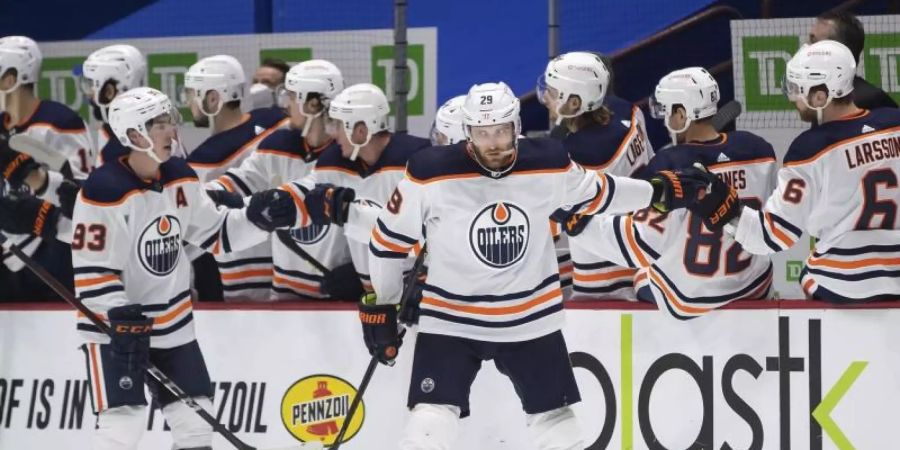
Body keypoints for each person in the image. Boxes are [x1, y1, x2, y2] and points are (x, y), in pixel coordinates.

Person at [362, 81, 717, 449]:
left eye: (501, 130)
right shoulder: (429, 173)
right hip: (452, 317)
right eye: (484, 134)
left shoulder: (548, 162)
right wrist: (384, 306)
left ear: (517, 126)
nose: (495, 142)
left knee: (557, 426)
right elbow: (388, 240)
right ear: (468, 133)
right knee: (429, 425)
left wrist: (659, 192)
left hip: (530, 317)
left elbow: (602, 193)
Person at [68, 87, 313, 449]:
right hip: (116, 332)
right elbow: (92, 276)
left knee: (195, 424)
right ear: (134, 134)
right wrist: (120, 316)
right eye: (159, 124)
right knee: (123, 425)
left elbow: (216, 234)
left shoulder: (180, 176)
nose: (171, 131)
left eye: (171, 121)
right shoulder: (103, 191)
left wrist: (258, 220)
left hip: (173, 327)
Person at [711, 40, 900, 302]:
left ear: (821, 96)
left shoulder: (810, 149)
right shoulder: (894, 123)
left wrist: (725, 211)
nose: (793, 98)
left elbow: (773, 236)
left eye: (798, 90)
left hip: (842, 283)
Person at [581, 67, 776, 318]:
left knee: (642, 272)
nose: (663, 118)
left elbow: (639, 244)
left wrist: (580, 223)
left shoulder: (670, 164)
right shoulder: (758, 149)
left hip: (693, 296)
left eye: (667, 110)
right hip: (753, 286)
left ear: (682, 114)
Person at [208, 59, 359, 300]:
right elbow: (236, 182)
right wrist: (204, 195)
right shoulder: (277, 146)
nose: (285, 104)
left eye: (291, 97)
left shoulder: (352, 154)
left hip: (336, 303)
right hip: (283, 300)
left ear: (312, 104)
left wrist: (362, 274)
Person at [278, 82, 432, 295]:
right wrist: (273, 199)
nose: (334, 134)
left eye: (339, 126)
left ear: (360, 131)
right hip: (374, 300)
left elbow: (432, 235)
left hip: (420, 297)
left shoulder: (418, 163)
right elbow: (305, 190)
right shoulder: (336, 161)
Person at [539, 51, 654, 300]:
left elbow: (549, 227)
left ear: (574, 103)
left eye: (552, 91)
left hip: (605, 276)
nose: (545, 97)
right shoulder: (632, 112)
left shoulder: (575, 158)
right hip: (644, 251)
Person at [183, 54, 289, 301]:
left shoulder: (204, 162)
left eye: (191, 94)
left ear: (213, 98)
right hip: (290, 263)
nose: (188, 102)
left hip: (243, 270)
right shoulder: (277, 123)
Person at [0, 35, 94, 301]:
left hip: (54, 260)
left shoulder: (60, 122)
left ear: (11, 79)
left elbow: (80, 198)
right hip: (10, 262)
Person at [809, 11, 897, 111]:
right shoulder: (819, 96)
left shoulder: (872, 100)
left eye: (813, 41)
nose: (805, 49)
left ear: (839, 51)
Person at [79, 44, 147, 166]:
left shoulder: (125, 149)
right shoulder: (155, 126)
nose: (89, 95)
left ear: (109, 91)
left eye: (91, 86)